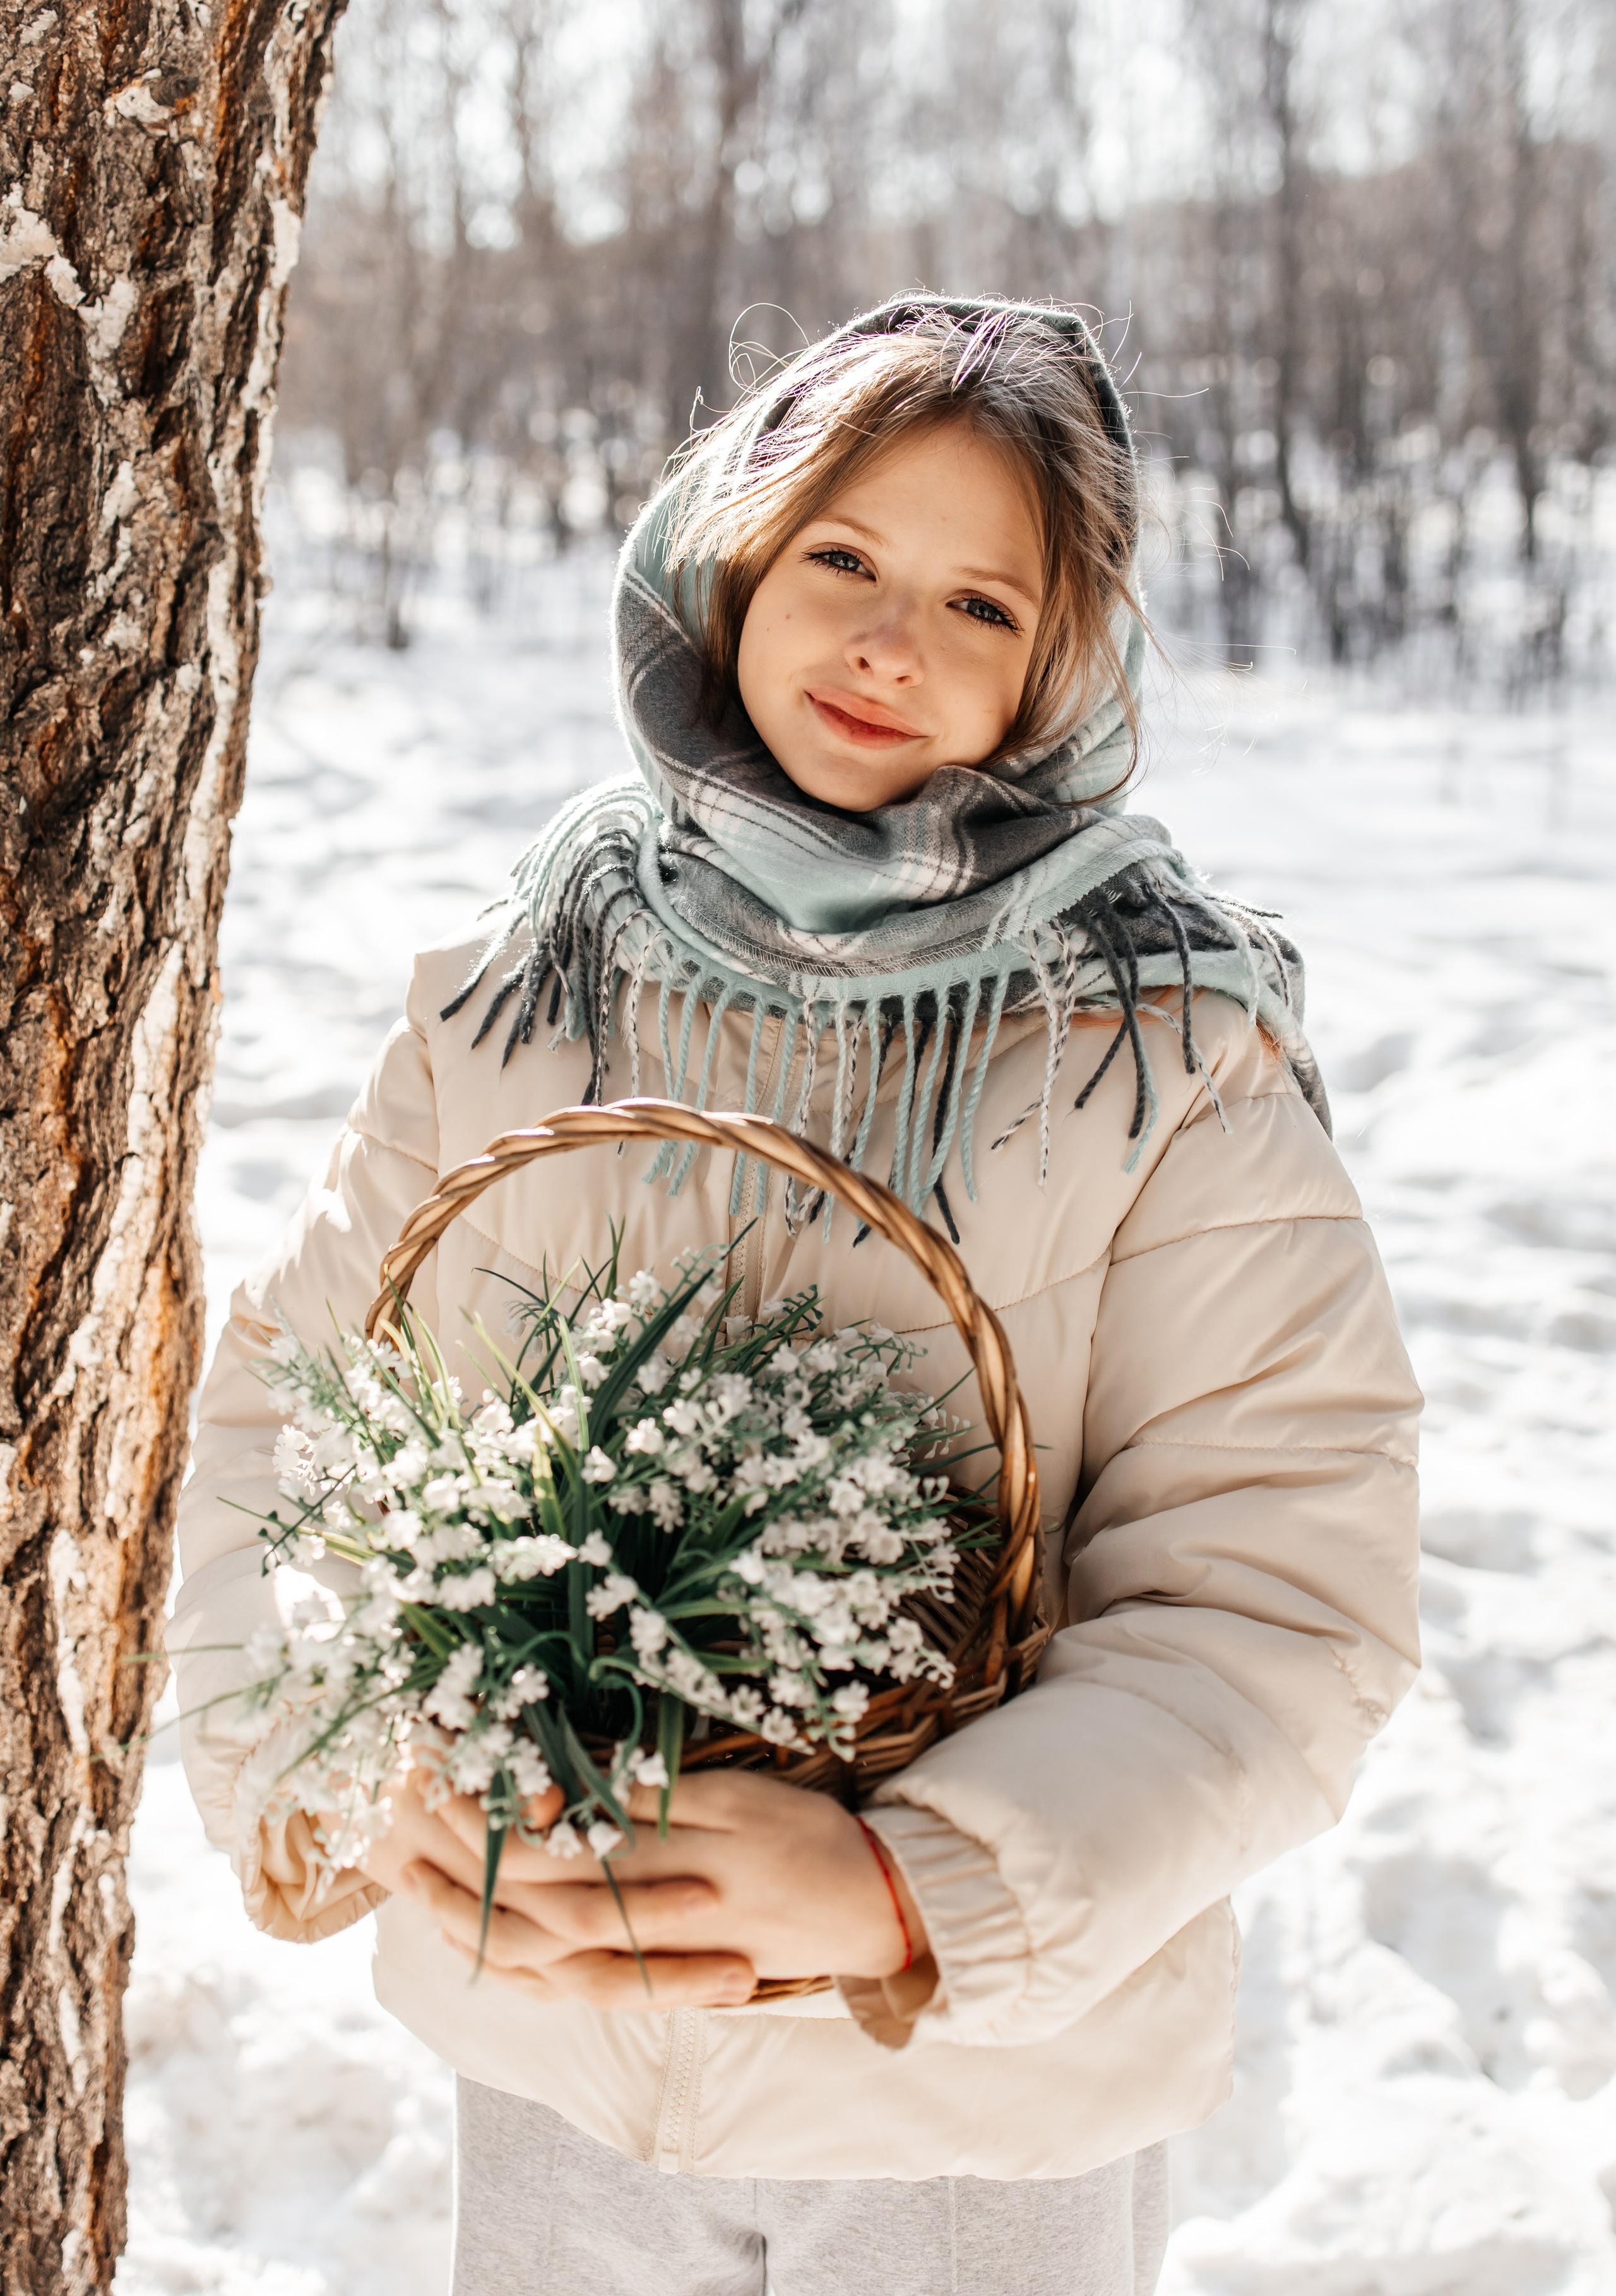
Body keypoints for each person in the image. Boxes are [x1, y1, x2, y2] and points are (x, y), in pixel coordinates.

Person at [170, 296, 1421, 2296]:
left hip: (967, 2112)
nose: (887, 641)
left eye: (981, 607)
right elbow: (289, 1429)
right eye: (841, 555)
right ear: (732, 549)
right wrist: (360, 1763)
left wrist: (901, 1886)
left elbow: (1279, 1598)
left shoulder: (1150, 1053)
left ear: (1058, 670)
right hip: (556, 2051)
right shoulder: (530, 988)